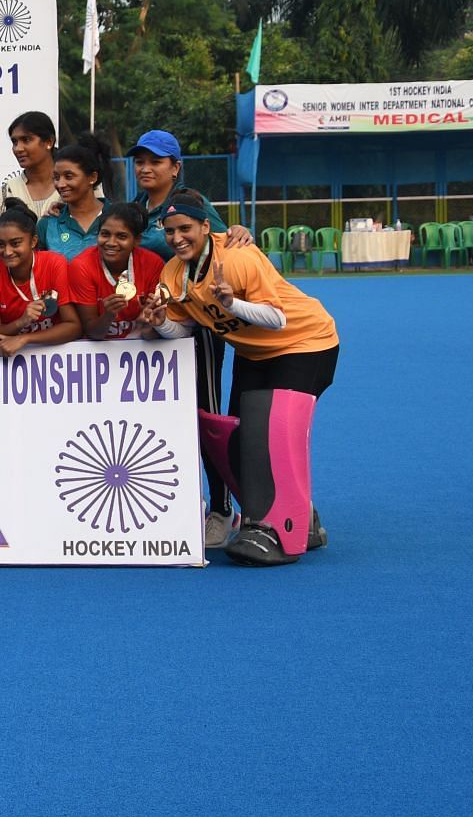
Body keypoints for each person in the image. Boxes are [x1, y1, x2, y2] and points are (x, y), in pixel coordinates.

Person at [141, 191, 340, 566]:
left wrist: (232, 304)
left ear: (205, 226)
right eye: (170, 231)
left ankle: (278, 532)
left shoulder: (237, 257)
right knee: (238, 438)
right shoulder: (175, 274)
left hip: (305, 342)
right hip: (254, 353)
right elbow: (184, 331)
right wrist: (161, 323)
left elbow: (276, 318)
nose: (177, 238)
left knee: (273, 435)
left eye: (185, 228)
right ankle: (299, 518)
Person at [127, 127, 254, 546]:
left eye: (156, 161)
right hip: (150, 330)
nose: (145, 168)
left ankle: (222, 509)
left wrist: (239, 230)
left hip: (197, 332)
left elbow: (224, 244)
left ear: (175, 167)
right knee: (159, 424)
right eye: (140, 161)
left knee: (208, 420)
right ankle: (183, 504)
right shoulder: (135, 209)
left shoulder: (193, 204)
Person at [0, 203, 83, 357]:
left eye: (15, 243)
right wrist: (21, 322)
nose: (7, 252)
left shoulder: (54, 263)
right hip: (11, 357)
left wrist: (25, 338)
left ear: (33, 242)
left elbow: (73, 326)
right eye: (1, 244)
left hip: (55, 354)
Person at [68, 203, 165, 341]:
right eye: (105, 234)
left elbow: (155, 332)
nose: (111, 242)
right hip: (98, 351)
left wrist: (148, 325)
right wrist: (108, 315)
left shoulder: (153, 264)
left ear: (137, 240)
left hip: (142, 348)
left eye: (121, 236)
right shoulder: (81, 267)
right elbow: (93, 333)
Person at [39, 134, 113, 259]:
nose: (60, 184)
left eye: (69, 176)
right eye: (56, 177)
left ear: (92, 177)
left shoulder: (118, 218)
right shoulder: (48, 224)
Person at [0, 112, 66, 218]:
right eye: (15, 142)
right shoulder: (5, 193)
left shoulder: (76, 185)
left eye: (26, 140)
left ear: (49, 141)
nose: (18, 148)